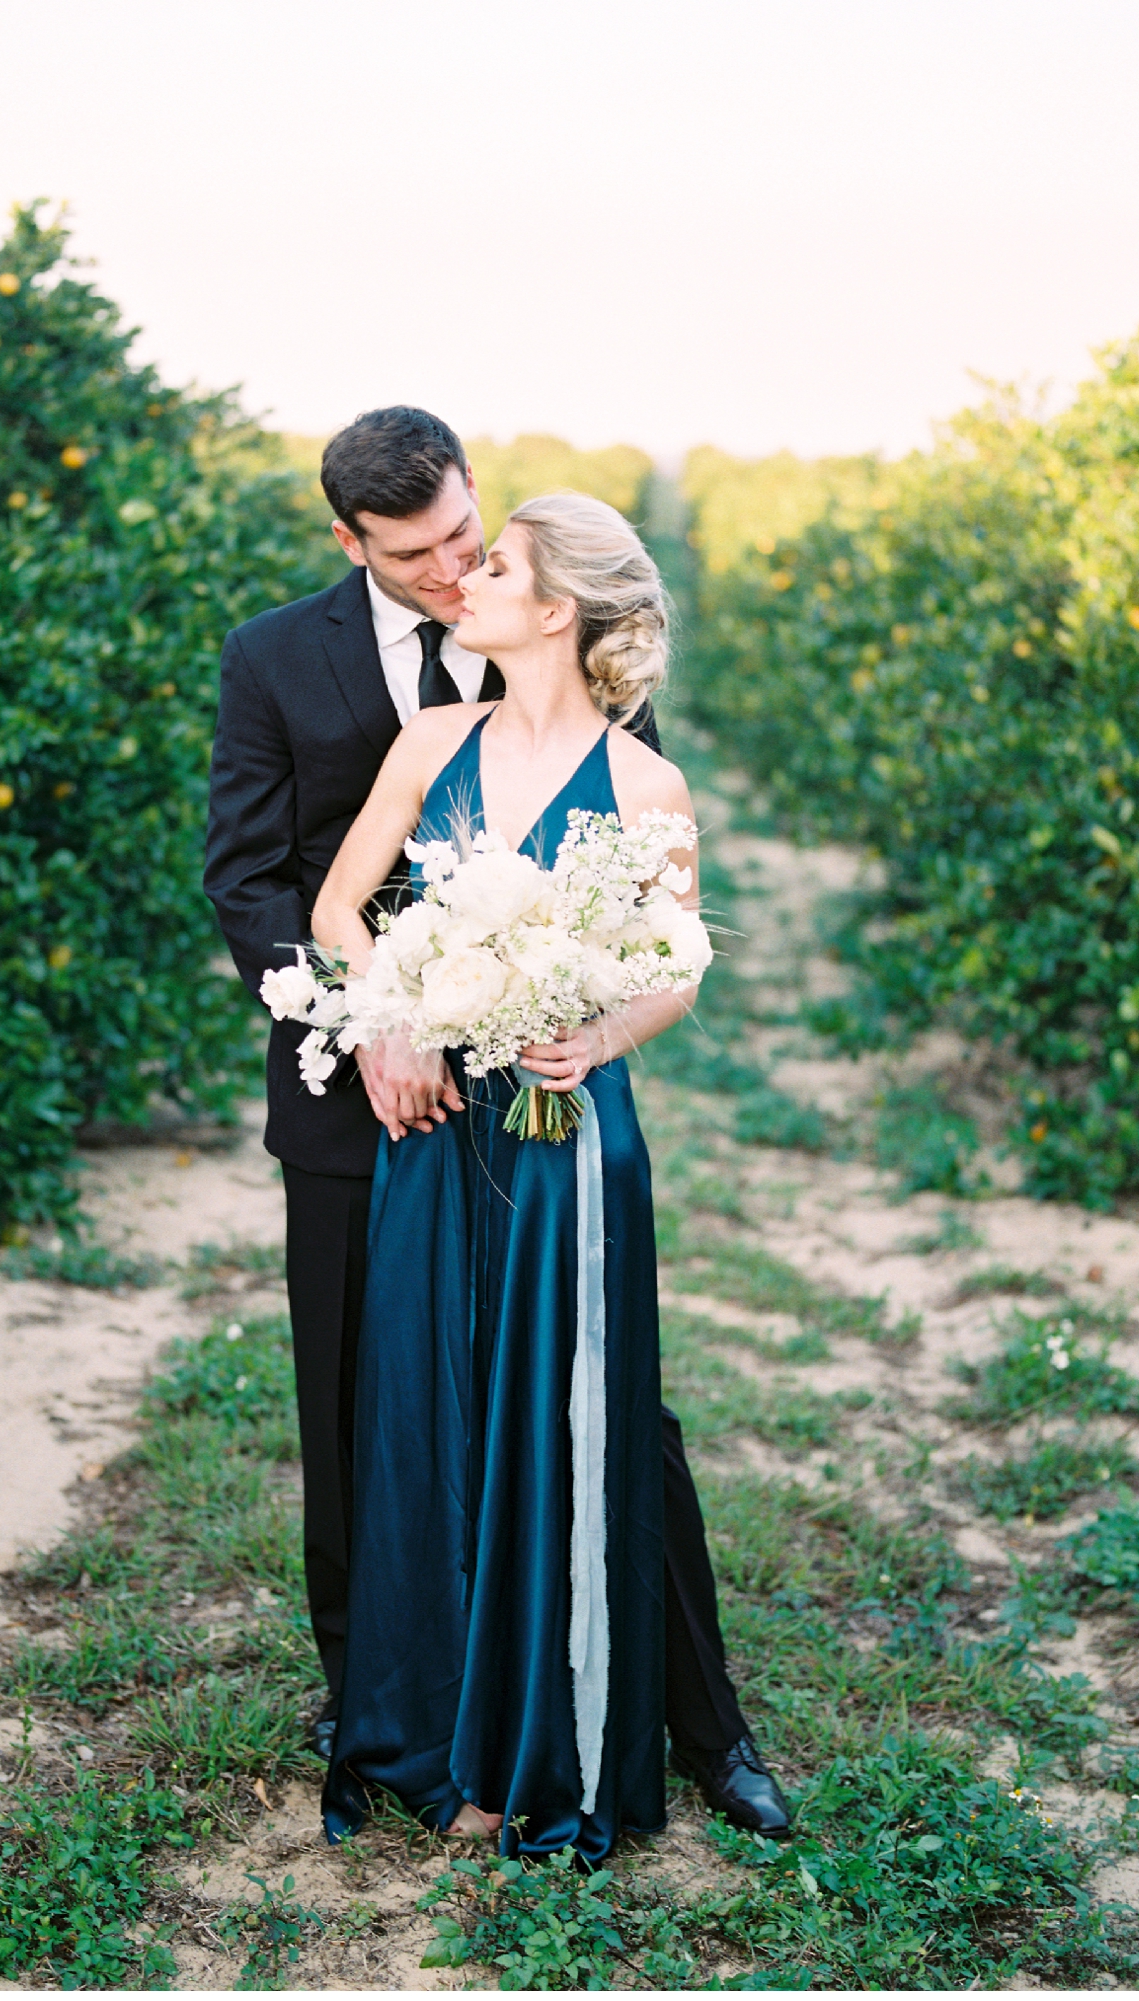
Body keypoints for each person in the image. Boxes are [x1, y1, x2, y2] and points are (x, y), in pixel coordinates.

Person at [204, 409, 789, 1840]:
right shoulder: (278, 659)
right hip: (366, 1094)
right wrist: (379, 1015)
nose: (455, 567)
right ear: (353, 543)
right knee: (364, 1403)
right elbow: (257, 882)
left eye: (472, 538)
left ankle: (701, 1719)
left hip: (538, 1111)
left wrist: (578, 1023)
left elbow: (645, 913)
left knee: (607, 1409)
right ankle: (383, 1697)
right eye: (421, 554)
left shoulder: (571, 652)